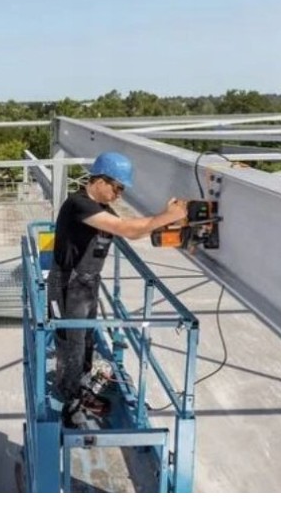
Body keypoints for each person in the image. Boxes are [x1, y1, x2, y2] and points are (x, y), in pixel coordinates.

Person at [48, 151, 188, 427]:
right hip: (67, 283)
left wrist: (170, 223)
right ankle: (70, 404)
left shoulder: (102, 210)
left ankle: (81, 389)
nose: (119, 194)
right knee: (71, 342)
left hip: (87, 282)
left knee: (86, 339)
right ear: (100, 180)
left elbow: (135, 230)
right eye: (117, 187)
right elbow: (128, 229)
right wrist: (167, 214)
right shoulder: (79, 204)